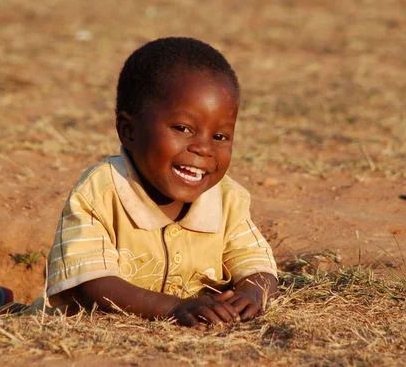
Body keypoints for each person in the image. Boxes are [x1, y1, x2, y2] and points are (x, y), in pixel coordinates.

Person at [45, 37, 278, 327]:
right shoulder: (101, 192)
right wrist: (176, 308)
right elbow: (91, 284)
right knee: (4, 308)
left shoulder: (227, 199)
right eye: (182, 128)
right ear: (129, 131)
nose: (204, 148)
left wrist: (252, 296)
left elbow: (257, 265)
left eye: (220, 136)